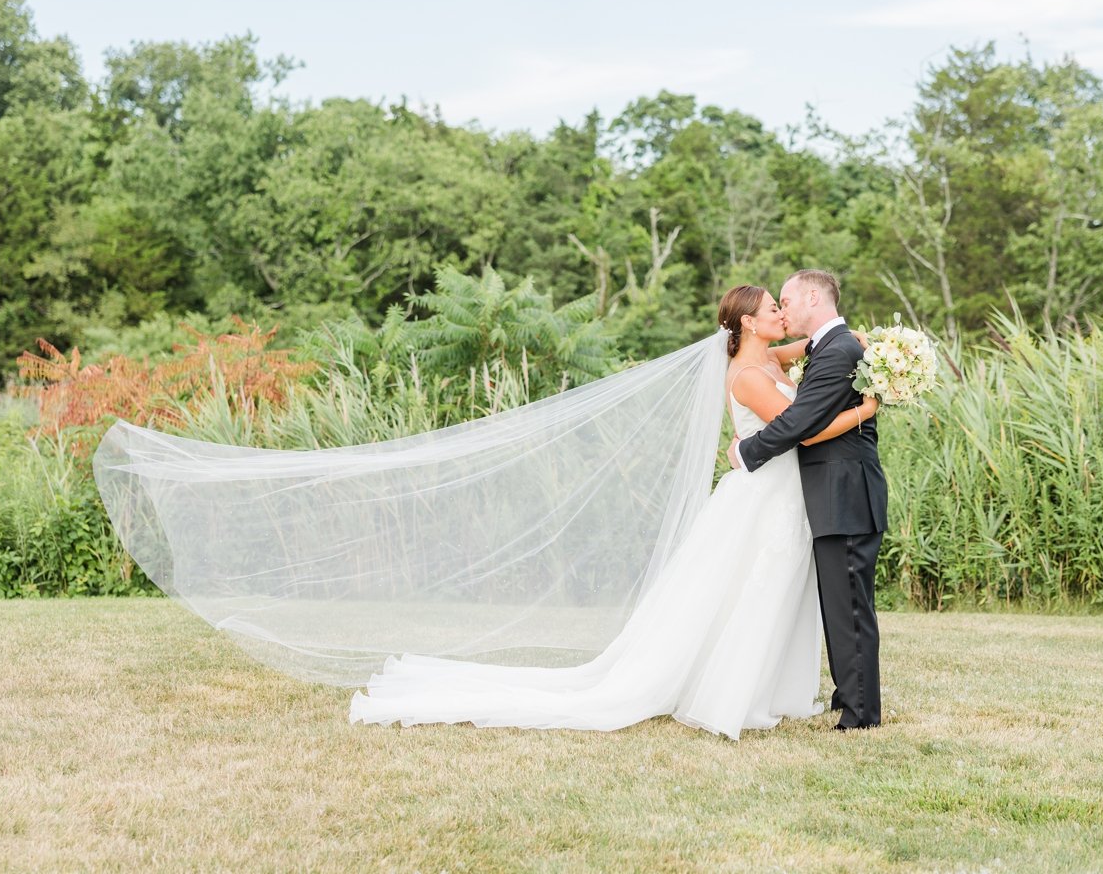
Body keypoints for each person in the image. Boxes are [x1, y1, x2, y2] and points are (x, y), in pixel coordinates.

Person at [349, 283, 878, 737]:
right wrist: (866, 408)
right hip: (765, 493)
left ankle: (771, 686)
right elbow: (797, 431)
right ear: (750, 323)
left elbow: (802, 350)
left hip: (781, 493)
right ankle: (723, 692)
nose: (782, 315)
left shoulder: (766, 356)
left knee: (771, 590)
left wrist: (845, 341)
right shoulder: (749, 374)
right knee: (748, 591)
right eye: (773, 310)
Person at [730, 269, 888, 730]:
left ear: (814, 297)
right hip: (832, 493)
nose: (782, 309)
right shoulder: (830, 346)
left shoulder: (839, 350)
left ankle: (861, 715)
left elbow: (801, 425)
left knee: (850, 607)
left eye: (786, 299)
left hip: (845, 494)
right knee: (840, 602)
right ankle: (849, 695)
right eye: (773, 305)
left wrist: (746, 450)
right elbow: (774, 361)